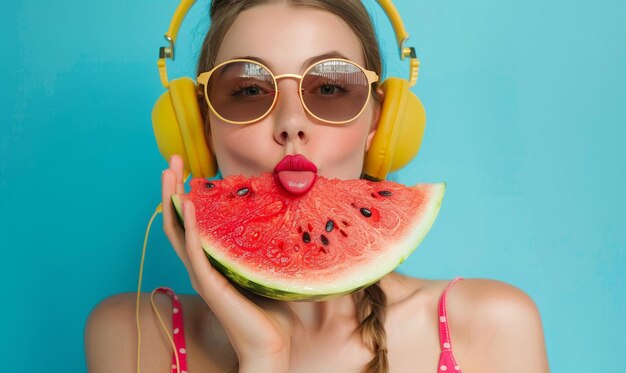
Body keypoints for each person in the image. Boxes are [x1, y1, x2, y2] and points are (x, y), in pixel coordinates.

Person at [84, 1, 550, 372]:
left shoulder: (491, 326)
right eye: (248, 90)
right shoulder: (136, 335)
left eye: (330, 88)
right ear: (200, 128)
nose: (291, 124)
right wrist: (264, 357)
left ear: (380, 123)